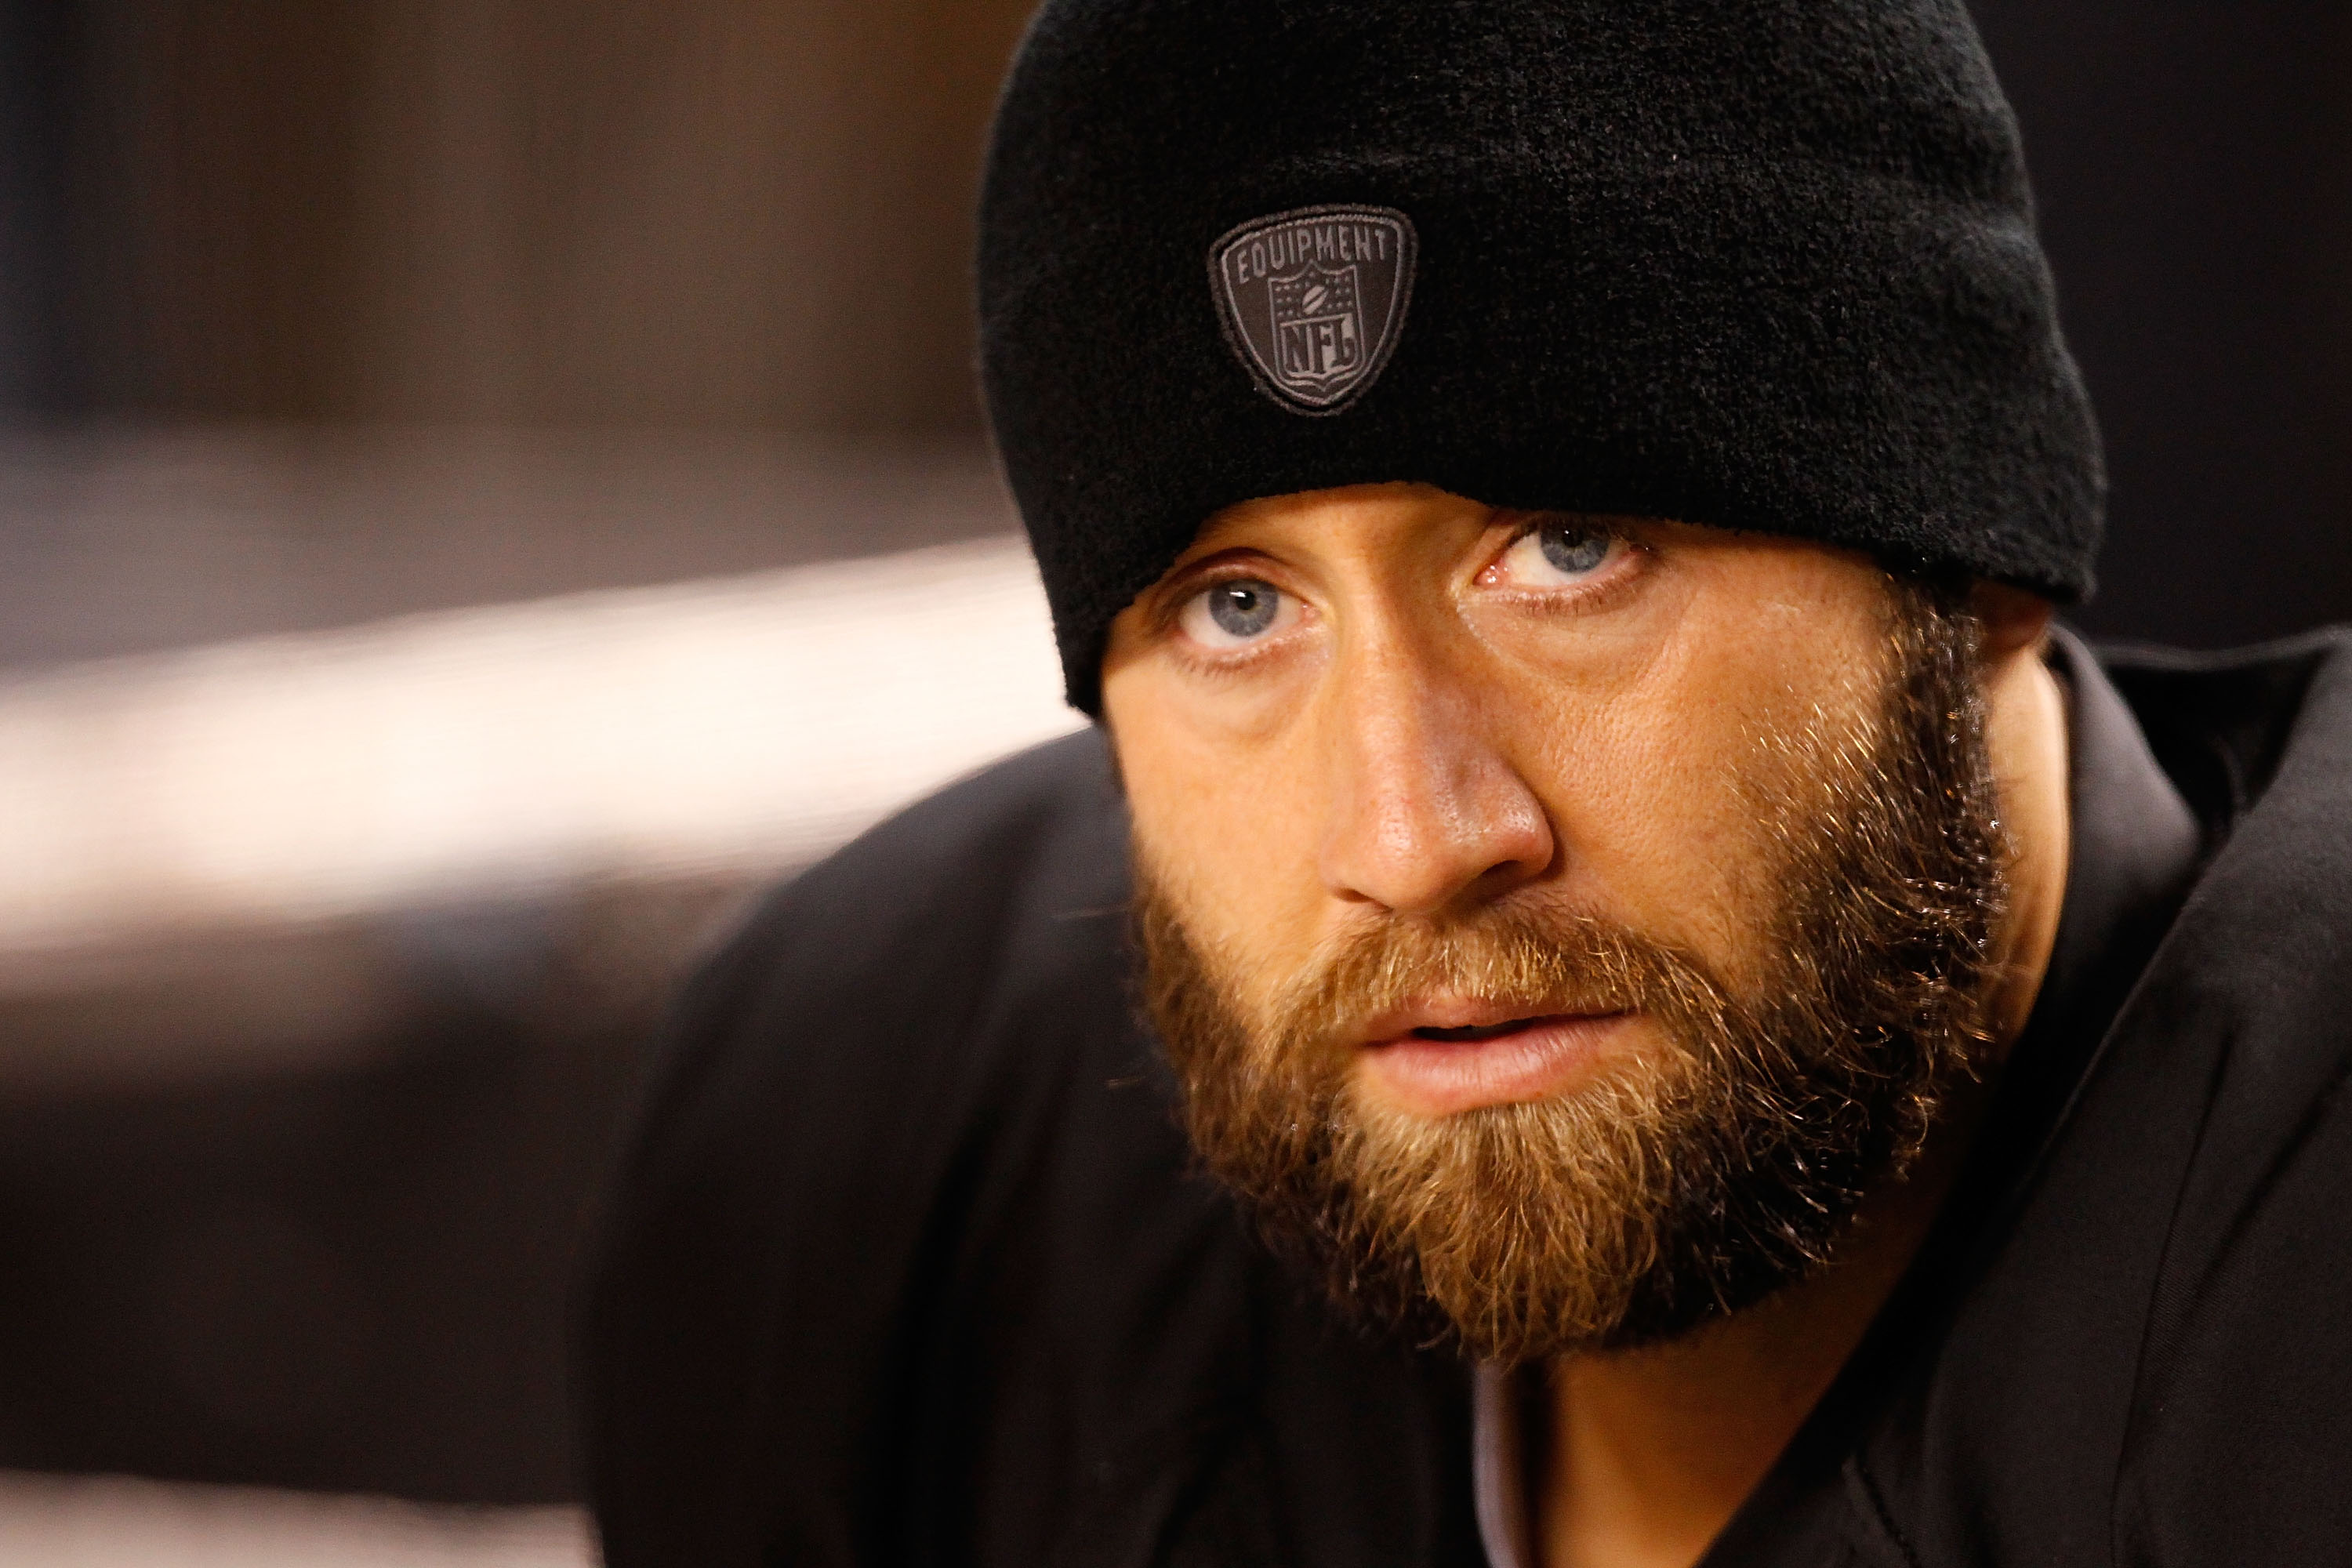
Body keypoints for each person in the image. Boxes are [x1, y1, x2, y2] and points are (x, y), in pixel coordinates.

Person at [580, 3, 2352, 1564]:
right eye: (1238, 607)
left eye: (1568, 552)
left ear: (1979, 562)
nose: (1414, 840)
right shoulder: (883, 1161)